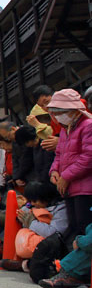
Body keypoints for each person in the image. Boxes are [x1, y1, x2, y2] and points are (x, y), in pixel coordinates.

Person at [48, 88, 92, 246]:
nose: (58, 115)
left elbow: (89, 157)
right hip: (70, 187)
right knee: (73, 226)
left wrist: (66, 175)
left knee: (84, 228)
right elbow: (59, 154)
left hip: (86, 188)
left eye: (61, 111)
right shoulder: (65, 129)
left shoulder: (88, 125)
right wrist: (54, 171)